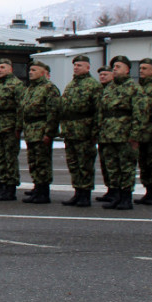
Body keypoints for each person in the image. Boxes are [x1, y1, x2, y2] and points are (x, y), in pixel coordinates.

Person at [96, 55, 140, 210]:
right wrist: (100, 130)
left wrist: (135, 135)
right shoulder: (109, 88)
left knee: (126, 167)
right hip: (108, 134)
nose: (115, 69)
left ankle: (126, 198)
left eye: (118, 67)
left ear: (127, 70)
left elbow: (139, 113)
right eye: (114, 67)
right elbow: (102, 111)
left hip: (124, 135)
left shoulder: (133, 88)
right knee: (112, 167)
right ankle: (116, 195)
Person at [59, 55, 101, 207]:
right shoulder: (71, 85)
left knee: (85, 164)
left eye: (80, 65)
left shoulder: (93, 85)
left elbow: (98, 111)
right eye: (75, 65)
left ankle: (85, 194)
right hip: (71, 131)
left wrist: (95, 132)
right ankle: (77, 192)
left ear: (88, 67)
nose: (76, 67)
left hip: (84, 131)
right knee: (74, 163)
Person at [19, 61, 61, 204]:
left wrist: (49, 133)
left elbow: (53, 112)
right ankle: (37, 188)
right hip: (31, 131)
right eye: (30, 69)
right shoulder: (30, 89)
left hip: (41, 129)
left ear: (43, 73)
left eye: (34, 70)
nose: (30, 72)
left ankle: (43, 192)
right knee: (34, 162)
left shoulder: (49, 88)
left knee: (42, 162)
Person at [0, 58, 25, 201]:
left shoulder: (16, 85)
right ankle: (2, 184)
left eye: (3, 67)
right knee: (0, 158)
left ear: (10, 69)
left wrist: (18, 127)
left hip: (9, 127)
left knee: (10, 158)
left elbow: (20, 107)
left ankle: (10, 188)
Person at [135, 58, 152, 205]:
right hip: (142, 132)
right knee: (144, 163)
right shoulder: (140, 88)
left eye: (145, 68)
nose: (141, 71)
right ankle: (148, 191)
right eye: (140, 68)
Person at [94, 65, 115, 202]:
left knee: (114, 164)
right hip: (102, 131)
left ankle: (116, 191)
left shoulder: (114, 89)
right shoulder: (99, 90)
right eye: (101, 75)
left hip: (114, 132)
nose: (102, 77)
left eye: (105, 74)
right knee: (105, 163)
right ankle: (110, 189)